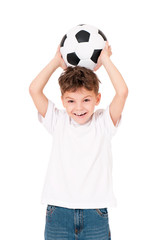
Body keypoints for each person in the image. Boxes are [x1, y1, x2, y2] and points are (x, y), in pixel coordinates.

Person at [29, 41, 128, 240]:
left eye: (86, 100)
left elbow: (122, 92)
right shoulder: (58, 120)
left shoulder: (103, 122)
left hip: (95, 213)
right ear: (63, 100)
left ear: (97, 99)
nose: (79, 108)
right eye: (71, 101)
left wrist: (105, 60)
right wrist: (56, 61)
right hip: (58, 213)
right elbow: (34, 90)